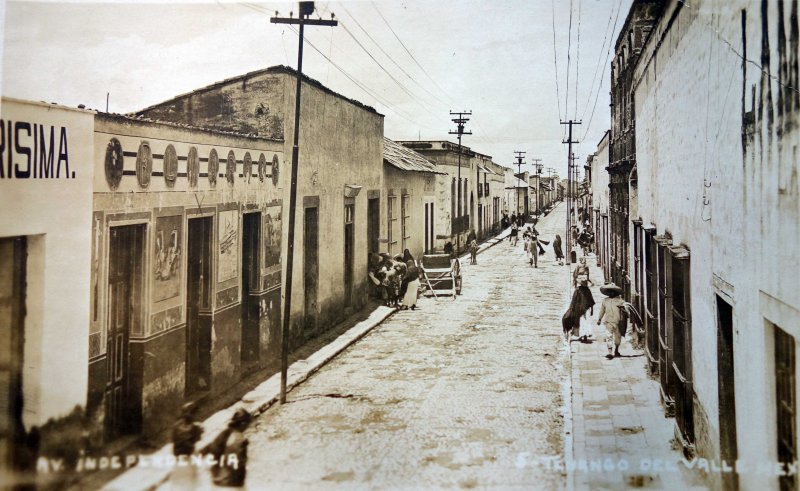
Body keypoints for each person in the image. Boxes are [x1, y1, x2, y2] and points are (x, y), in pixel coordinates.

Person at [209, 408, 251, 489]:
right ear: (243, 423)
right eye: (247, 424)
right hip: (231, 483)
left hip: (218, 481)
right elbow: (236, 463)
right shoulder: (238, 439)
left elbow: (213, 450)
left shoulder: (224, 433)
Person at [171, 403, 203, 490]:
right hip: (189, 458)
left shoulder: (176, 426)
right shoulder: (194, 428)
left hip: (178, 459)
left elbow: (173, 439)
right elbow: (198, 439)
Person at [597, 283, 627, 359]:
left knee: (617, 337)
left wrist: (624, 310)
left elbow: (626, 311)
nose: (611, 293)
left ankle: (616, 350)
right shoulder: (605, 301)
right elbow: (602, 310)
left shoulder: (620, 301)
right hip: (608, 322)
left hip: (618, 322)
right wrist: (599, 319)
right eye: (609, 291)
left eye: (612, 291)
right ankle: (610, 352)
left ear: (615, 292)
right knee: (608, 336)